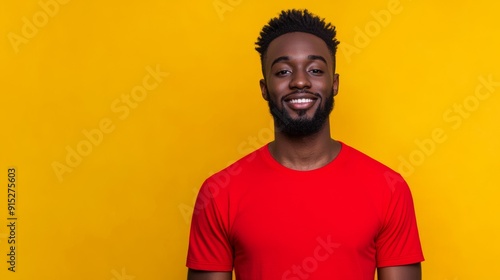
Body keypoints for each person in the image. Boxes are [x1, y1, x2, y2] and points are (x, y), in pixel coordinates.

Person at [186, 9, 424, 280]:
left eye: (315, 70)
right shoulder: (219, 193)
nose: (300, 81)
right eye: (284, 71)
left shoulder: (388, 189)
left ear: (334, 84)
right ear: (264, 88)